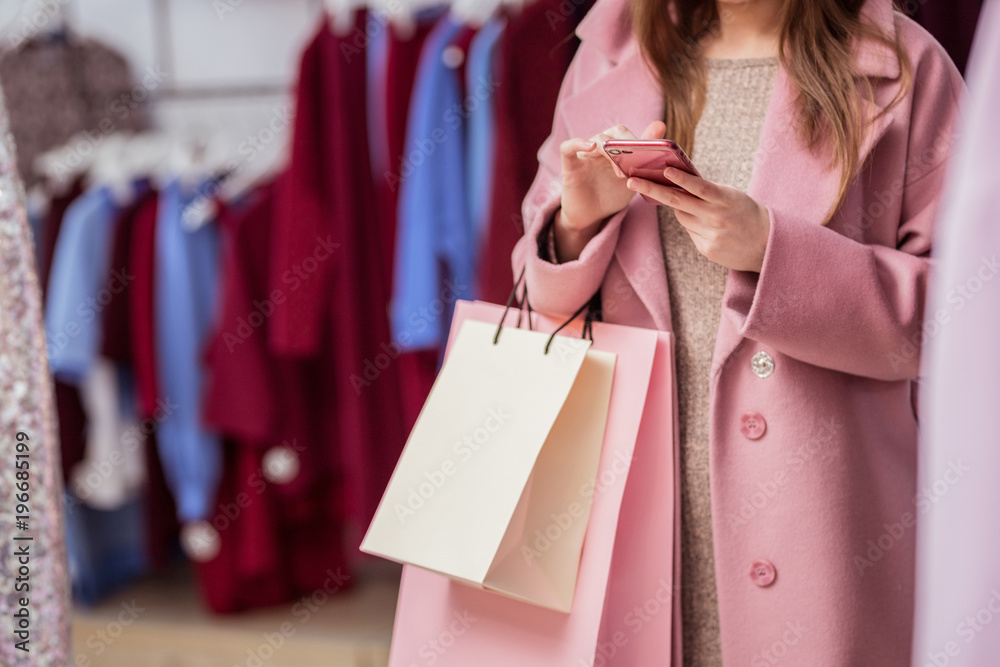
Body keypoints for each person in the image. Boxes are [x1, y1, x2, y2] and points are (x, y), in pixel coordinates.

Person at [512, 0, 964, 664]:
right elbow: (534, 290)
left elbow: (962, 320)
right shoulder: (608, 57)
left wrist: (777, 254)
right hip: (631, 540)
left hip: (828, 541)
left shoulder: (905, 67)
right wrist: (575, 224)